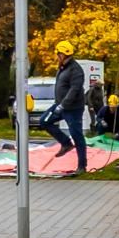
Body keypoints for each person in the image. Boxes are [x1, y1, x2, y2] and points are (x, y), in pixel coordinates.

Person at [38, 41, 87, 175]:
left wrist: (63, 105)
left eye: (58, 54)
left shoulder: (75, 70)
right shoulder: (62, 67)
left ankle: (82, 166)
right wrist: (59, 105)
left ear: (63, 54)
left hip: (72, 108)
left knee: (77, 135)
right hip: (59, 105)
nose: (57, 56)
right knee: (44, 121)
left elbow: (75, 90)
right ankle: (66, 143)